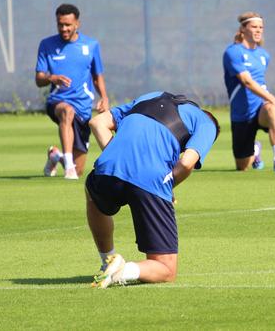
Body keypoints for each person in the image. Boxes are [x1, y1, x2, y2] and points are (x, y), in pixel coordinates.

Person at [85, 91, 220, 288]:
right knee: (166, 268)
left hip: (108, 168)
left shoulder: (151, 96)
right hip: (151, 179)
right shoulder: (207, 124)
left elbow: (97, 123)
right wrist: (167, 186)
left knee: (92, 192)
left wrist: (120, 160)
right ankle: (122, 270)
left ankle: (107, 259)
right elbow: (186, 162)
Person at [35, 4, 109, 180]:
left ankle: (56, 156)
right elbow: (39, 79)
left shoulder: (91, 45)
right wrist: (52, 78)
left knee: (80, 169)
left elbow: (97, 77)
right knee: (67, 112)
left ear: (77, 23)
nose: (64, 28)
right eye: (60, 24)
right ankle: (67, 165)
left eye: (68, 24)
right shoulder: (47, 45)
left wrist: (104, 98)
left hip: (83, 107)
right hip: (58, 101)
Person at [222, 12, 275, 172]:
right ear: (243, 29)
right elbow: (247, 82)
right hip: (241, 114)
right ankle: (255, 150)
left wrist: (273, 102)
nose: (258, 30)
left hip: (261, 109)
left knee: (271, 109)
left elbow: (259, 82)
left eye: (261, 27)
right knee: (243, 166)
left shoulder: (263, 55)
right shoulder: (233, 52)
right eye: (254, 27)